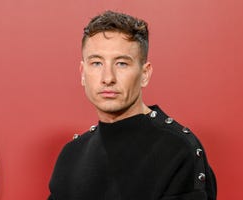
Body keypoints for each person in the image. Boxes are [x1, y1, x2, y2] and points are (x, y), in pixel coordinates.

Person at [48, 10, 217, 200]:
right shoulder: (71, 155)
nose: (108, 78)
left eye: (121, 64)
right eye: (96, 63)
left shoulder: (177, 150)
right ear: (82, 73)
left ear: (145, 74)